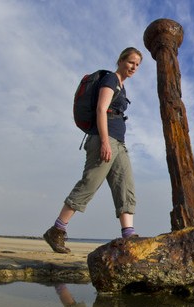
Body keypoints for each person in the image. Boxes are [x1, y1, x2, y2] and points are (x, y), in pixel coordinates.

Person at [43, 47, 142, 254]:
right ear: (121, 60)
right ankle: (57, 229)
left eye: (137, 65)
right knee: (90, 184)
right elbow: (100, 109)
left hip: (119, 143)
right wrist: (105, 142)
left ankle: (128, 235)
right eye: (131, 62)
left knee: (126, 186)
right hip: (104, 140)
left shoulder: (121, 86)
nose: (134, 67)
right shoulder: (111, 80)